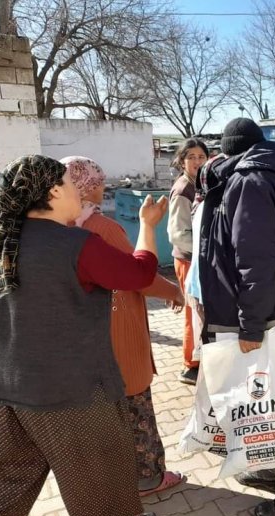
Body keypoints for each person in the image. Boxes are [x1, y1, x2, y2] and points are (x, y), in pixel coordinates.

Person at [0, 155, 166, 516]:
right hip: (69, 388)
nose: (78, 189)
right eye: (68, 181)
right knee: (100, 461)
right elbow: (138, 275)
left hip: (3, 384)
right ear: (54, 191)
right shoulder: (74, 244)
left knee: (5, 468)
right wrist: (148, 226)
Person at [198, 118, 275, 516]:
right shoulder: (274, 177)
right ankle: (272, 467)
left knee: (267, 404)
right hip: (267, 310)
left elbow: (254, 261)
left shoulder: (250, 181)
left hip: (260, 316)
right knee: (262, 400)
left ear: (230, 149)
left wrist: (251, 325)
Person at [61, 155, 187, 497]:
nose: (104, 187)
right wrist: (174, 291)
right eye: (98, 182)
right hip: (116, 332)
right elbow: (139, 278)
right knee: (135, 408)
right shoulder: (102, 229)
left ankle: (110, 478)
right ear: (84, 187)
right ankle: (148, 478)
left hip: (80, 342)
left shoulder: (57, 228)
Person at [168, 138, 209, 385]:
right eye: (191, 157)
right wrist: (203, 252)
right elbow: (177, 233)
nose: (196, 161)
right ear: (182, 161)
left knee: (198, 311)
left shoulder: (201, 184)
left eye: (201, 156)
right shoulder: (184, 188)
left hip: (197, 258)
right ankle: (190, 365)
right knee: (192, 311)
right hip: (188, 259)